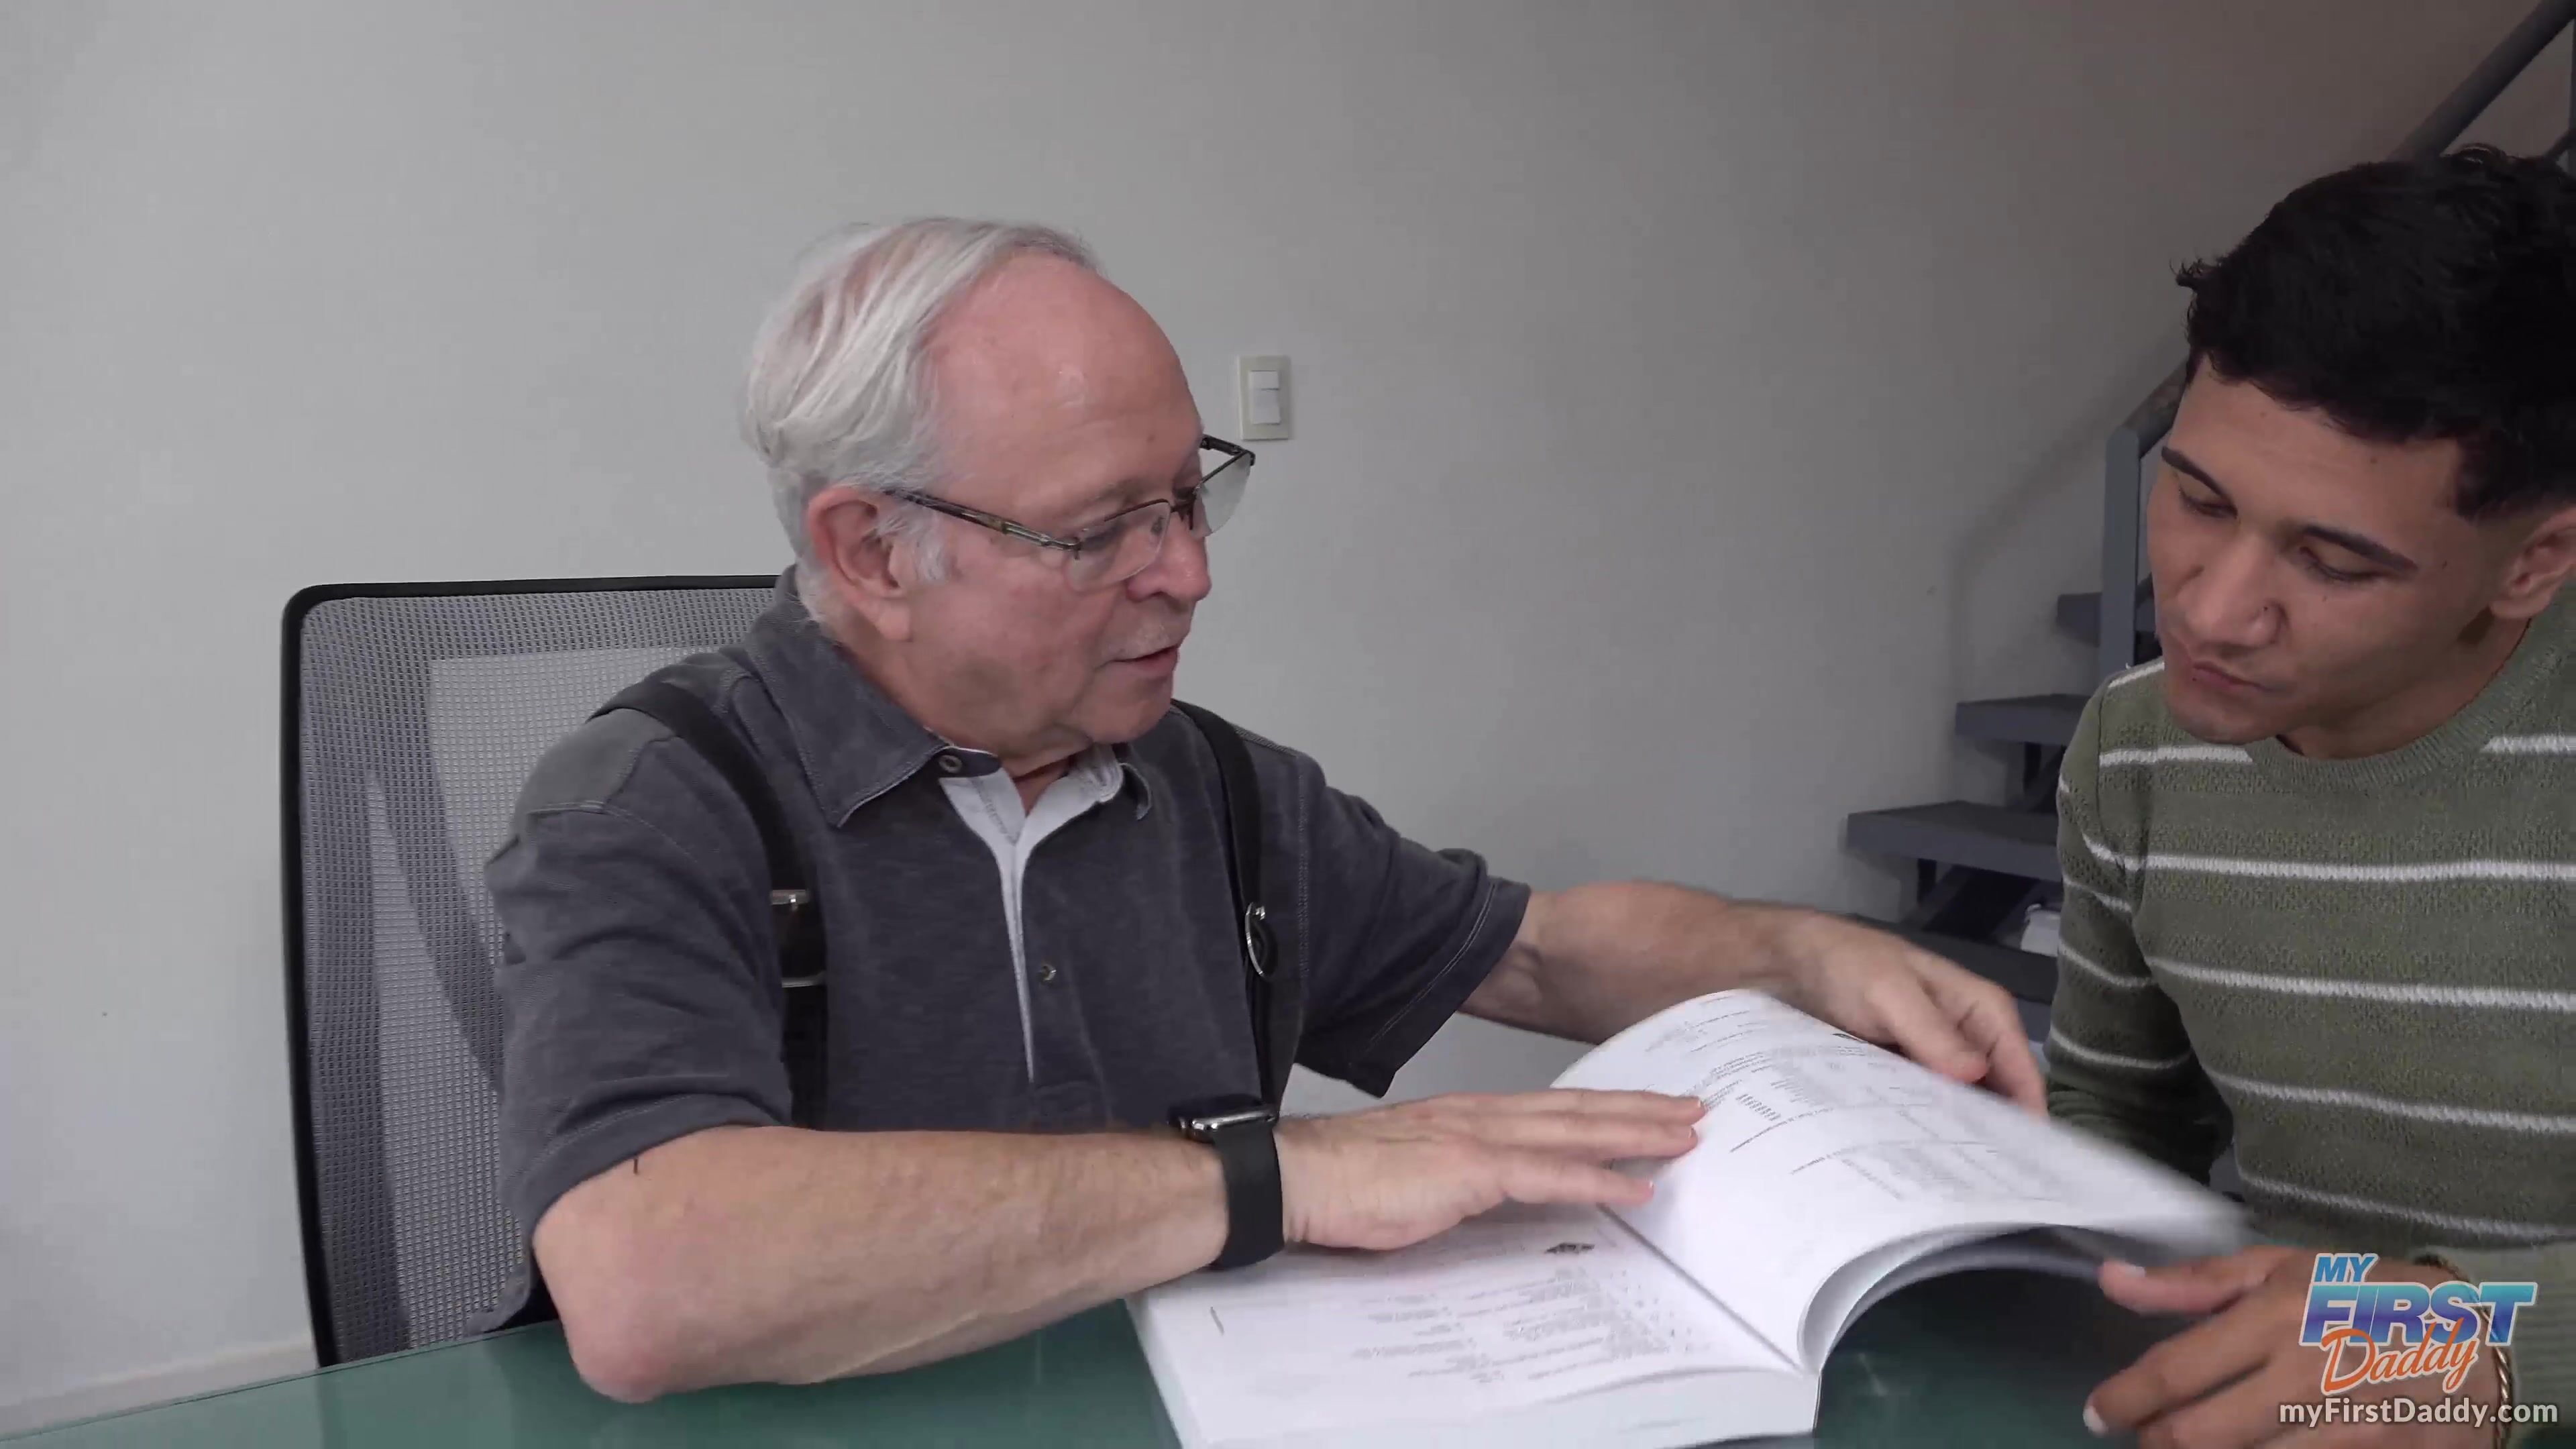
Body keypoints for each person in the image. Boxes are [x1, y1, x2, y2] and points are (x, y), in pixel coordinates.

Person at [484, 217, 2042, 1402]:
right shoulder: (657, 807)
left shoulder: (1212, 787)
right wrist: (1279, 1176)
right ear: (874, 552)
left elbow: (1535, 951)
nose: (1189, 572)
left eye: (1189, 493)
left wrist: (1798, 958)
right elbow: (647, 1278)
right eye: (1102, 529)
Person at [2049, 148, 2575, 1444]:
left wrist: (2491, 1343)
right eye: (2197, 497)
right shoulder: (2134, 751)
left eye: (2334, 562)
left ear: (2535, 562)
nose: (2213, 612)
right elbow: (2115, 1115)